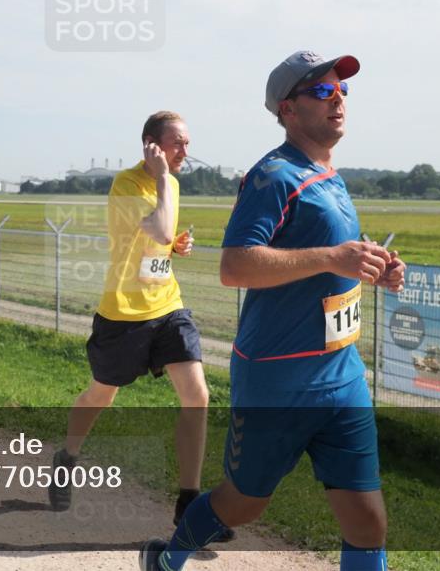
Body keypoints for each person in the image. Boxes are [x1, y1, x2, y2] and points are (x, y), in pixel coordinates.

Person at [140, 52, 405, 571]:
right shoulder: (273, 177)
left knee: (368, 521)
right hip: (277, 381)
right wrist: (333, 256)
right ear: (288, 109)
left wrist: (374, 265)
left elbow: (332, 255)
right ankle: (169, 559)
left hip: (342, 375)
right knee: (245, 501)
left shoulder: (331, 176)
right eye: (324, 93)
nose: (339, 101)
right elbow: (235, 265)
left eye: (342, 92)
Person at [51, 111, 232, 541]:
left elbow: (161, 236)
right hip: (122, 314)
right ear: (151, 145)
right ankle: (67, 456)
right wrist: (164, 185)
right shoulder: (129, 184)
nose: (185, 151)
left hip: (167, 305)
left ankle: (189, 503)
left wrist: (173, 247)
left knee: (197, 395)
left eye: (187, 142)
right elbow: (159, 223)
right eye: (177, 143)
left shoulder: (171, 180)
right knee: (102, 394)